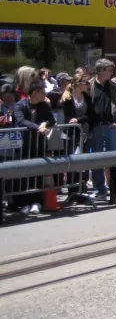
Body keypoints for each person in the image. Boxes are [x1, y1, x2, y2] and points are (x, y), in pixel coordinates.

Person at [12, 82, 57, 215]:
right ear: (35, 93)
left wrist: (45, 123)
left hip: (39, 144)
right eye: (42, 92)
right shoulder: (20, 105)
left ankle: (37, 201)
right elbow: (21, 121)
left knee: (38, 173)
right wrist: (38, 127)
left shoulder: (44, 105)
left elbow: (52, 120)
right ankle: (23, 202)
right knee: (23, 174)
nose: (45, 95)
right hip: (23, 144)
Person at [87, 58, 116, 198]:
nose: (111, 73)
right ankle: (99, 188)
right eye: (109, 70)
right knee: (97, 159)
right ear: (101, 71)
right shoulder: (89, 86)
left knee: (115, 158)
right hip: (95, 127)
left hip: (111, 126)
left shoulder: (114, 86)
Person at [62, 73, 91, 154]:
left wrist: (78, 119)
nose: (88, 85)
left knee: (83, 162)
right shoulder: (67, 98)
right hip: (70, 135)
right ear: (78, 83)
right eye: (86, 83)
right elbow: (69, 118)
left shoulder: (87, 98)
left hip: (84, 134)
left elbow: (91, 115)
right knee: (71, 161)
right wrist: (77, 120)